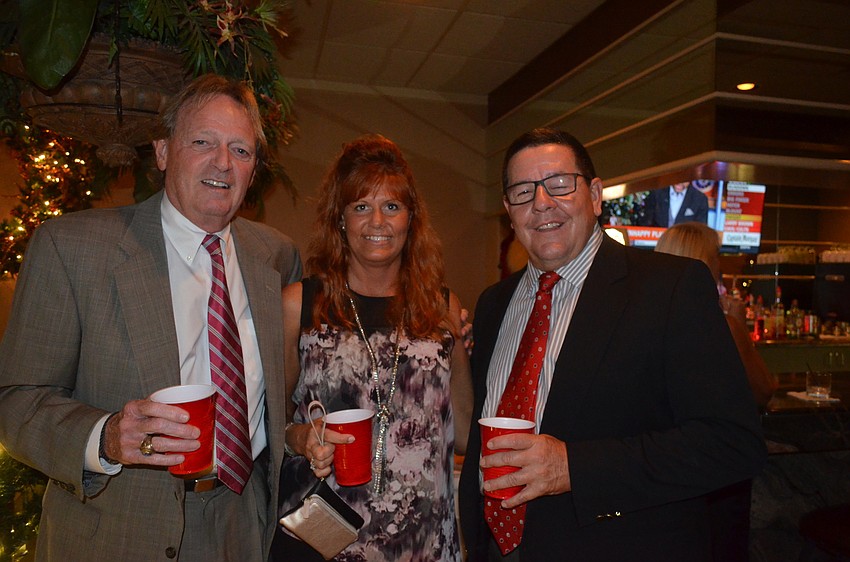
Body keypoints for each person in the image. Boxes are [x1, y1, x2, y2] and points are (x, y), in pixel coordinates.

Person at [0, 74, 302, 561]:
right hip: (117, 530)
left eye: (241, 150)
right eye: (202, 142)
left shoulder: (277, 257)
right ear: (162, 151)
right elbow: (16, 401)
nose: (223, 162)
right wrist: (106, 437)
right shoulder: (72, 248)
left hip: (241, 526)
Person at [458, 128, 767, 561]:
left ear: (595, 195)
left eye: (560, 184)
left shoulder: (670, 287)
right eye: (523, 191)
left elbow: (732, 443)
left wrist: (574, 467)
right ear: (510, 211)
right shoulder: (493, 304)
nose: (541, 202)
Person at [271, 134, 473, 561]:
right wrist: (301, 436)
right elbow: (269, 425)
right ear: (340, 218)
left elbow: (465, 434)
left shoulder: (441, 308)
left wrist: (470, 350)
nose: (377, 221)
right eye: (361, 206)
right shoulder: (298, 306)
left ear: (411, 219)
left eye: (392, 206)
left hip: (422, 543)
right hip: (325, 541)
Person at [655, 221, 777, 408]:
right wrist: (740, 327)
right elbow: (762, 391)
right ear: (703, 263)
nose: (719, 265)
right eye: (716, 256)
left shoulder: (646, 320)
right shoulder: (721, 326)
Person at [640, 181, 709, 227]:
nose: (680, 182)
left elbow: (700, 230)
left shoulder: (700, 199)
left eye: (684, 179)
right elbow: (646, 222)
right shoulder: (656, 193)